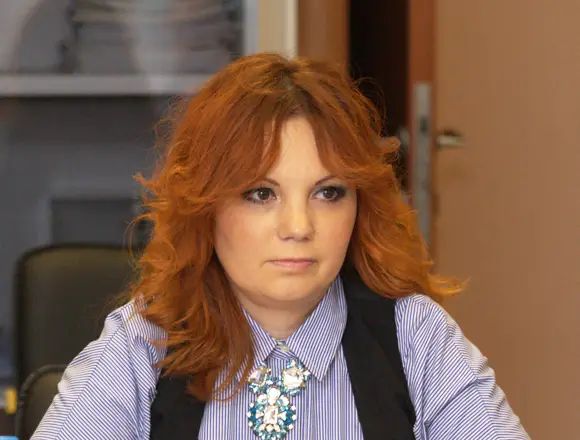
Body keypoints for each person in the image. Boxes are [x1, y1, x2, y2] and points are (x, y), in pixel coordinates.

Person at [32, 53, 529, 439]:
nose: (298, 226)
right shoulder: (142, 345)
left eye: (328, 193)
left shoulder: (416, 336)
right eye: (261, 194)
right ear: (205, 207)